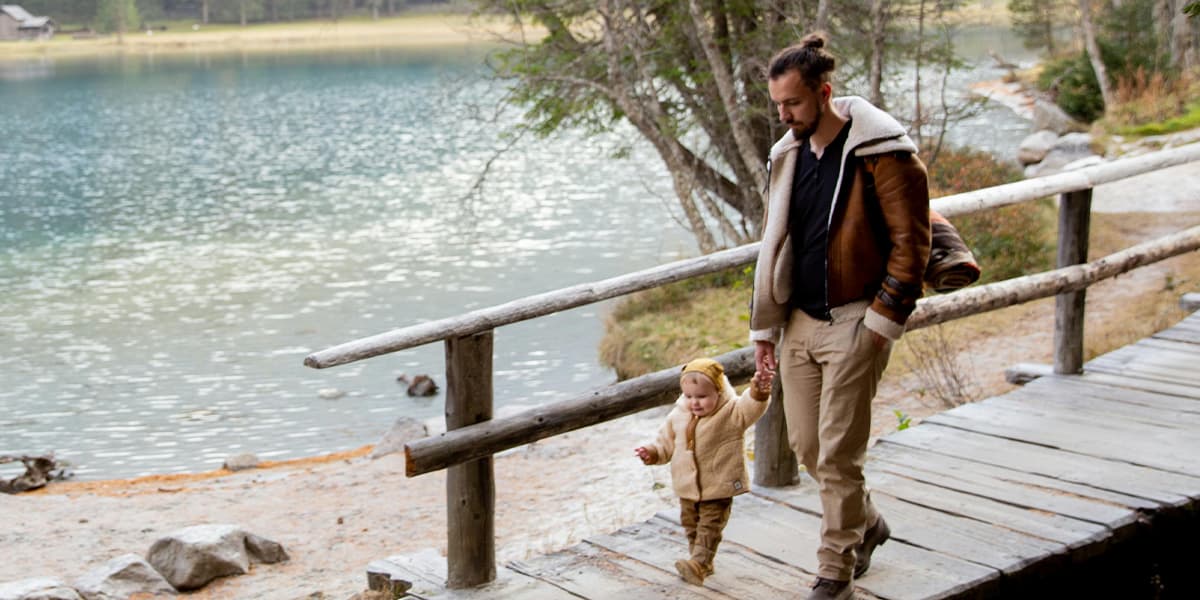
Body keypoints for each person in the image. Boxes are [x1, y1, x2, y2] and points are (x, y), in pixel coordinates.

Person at [750, 32, 932, 600]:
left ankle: (836, 569)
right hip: (799, 322)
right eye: (777, 104)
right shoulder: (789, 154)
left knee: (837, 451)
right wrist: (765, 328)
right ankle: (867, 522)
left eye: (794, 104)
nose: (783, 115)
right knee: (807, 447)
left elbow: (912, 244)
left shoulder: (884, 153)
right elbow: (774, 243)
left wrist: (880, 324)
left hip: (858, 318)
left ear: (824, 93)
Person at [634, 358, 774, 586]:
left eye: (701, 397)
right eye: (689, 396)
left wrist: (758, 391)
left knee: (709, 527)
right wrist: (652, 452)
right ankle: (700, 561)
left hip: (718, 484)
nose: (694, 403)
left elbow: (750, 407)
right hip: (687, 487)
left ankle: (699, 564)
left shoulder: (730, 412)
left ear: (719, 392)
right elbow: (666, 444)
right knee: (691, 526)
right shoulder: (678, 415)